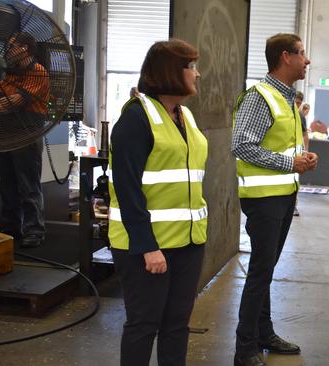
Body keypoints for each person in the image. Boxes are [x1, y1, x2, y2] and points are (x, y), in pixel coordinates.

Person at [108, 39, 207, 365]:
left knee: (176, 325)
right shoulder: (136, 119)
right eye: (191, 66)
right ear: (170, 72)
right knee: (143, 325)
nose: (197, 73)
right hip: (147, 246)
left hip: (188, 241)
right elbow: (128, 189)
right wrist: (147, 246)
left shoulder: (185, 117)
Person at [232, 33, 317, 366]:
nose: (306, 60)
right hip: (264, 199)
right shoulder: (260, 97)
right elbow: (242, 145)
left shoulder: (288, 100)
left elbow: (280, 146)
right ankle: (244, 349)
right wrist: (289, 163)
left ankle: (264, 332)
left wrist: (303, 159)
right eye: (302, 54)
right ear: (285, 57)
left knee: (265, 271)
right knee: (259, 273)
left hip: (282, 196)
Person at [0, 32, 49, 248]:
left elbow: (9, 103)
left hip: (27, 133)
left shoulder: (38, 73)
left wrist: (0, 100)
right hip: (5, 135)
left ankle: (34, 230)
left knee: (28, 185)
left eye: (12, 46)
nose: (8, 50)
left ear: (24, 48)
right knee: (7, 183)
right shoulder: (5, 73)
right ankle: (11, 228)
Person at [292, 91, 309, 216]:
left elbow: (304, 134)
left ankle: (294, 206)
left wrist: (306, 151)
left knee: (295, 181)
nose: (297, 105)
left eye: (299, 103)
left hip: (297, 155)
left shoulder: (300, 116)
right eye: (296, 102)